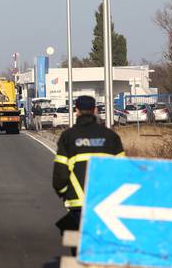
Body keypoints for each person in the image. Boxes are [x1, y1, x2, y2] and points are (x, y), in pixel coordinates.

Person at [52, 95, 125, 238]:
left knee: (78, 245)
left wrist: (65, 193)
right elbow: (123, 172)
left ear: (76, 111)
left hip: (78, 204)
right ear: (95, 110)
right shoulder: (111, 137)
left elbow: (60, 174)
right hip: (107, 204)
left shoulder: (68, 136)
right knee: (103, 244)